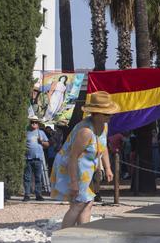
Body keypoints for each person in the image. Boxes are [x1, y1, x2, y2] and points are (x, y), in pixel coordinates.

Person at [50, 92, 118, 227]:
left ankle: (82, 234)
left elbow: (102, 147)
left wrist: (108, 167)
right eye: (106, 113)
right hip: (73, 168)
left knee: (88, 202)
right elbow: (73, 157)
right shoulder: (85, 131)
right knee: (78, 203)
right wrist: (74, 182)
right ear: (96, 113)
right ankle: (64, 237)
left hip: (86, 168)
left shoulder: (103, 125)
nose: (110, 116)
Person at [24, 117, 50, 201]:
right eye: (32, 122)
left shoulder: (41, 133)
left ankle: (38, 195)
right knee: (27, 178)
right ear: (30, 123)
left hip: (38, 158)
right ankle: (27, 195)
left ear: (38, 124)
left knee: (38, 178)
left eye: (35, 122)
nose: (34, 123)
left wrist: (41, 142)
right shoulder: (26, 133)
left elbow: (47, 145)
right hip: (27, 158)